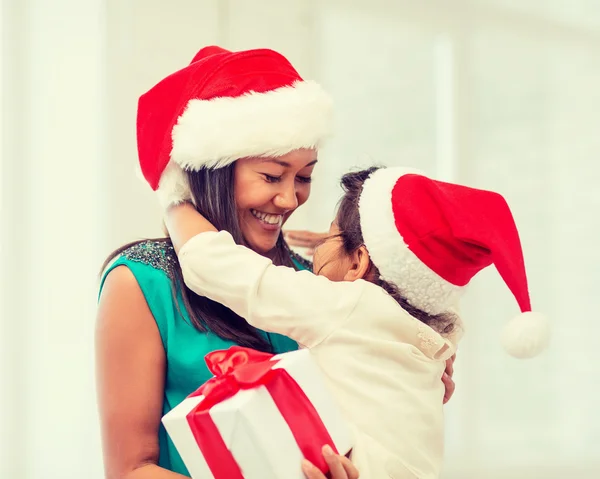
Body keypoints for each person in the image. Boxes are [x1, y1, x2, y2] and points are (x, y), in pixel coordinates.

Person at [95, 46, 456, 479]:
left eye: (304, 177)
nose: (289, 199)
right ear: (213, 171)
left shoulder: (313, 283)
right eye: (271, 175)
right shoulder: (142, 283)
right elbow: (130, 470)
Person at [163, 166, 549, 478]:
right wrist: (336, 247)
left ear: (360, 262)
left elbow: (223, 271)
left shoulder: (347, 306)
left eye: (331, 234)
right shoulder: (434, 333)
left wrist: (176, 201)